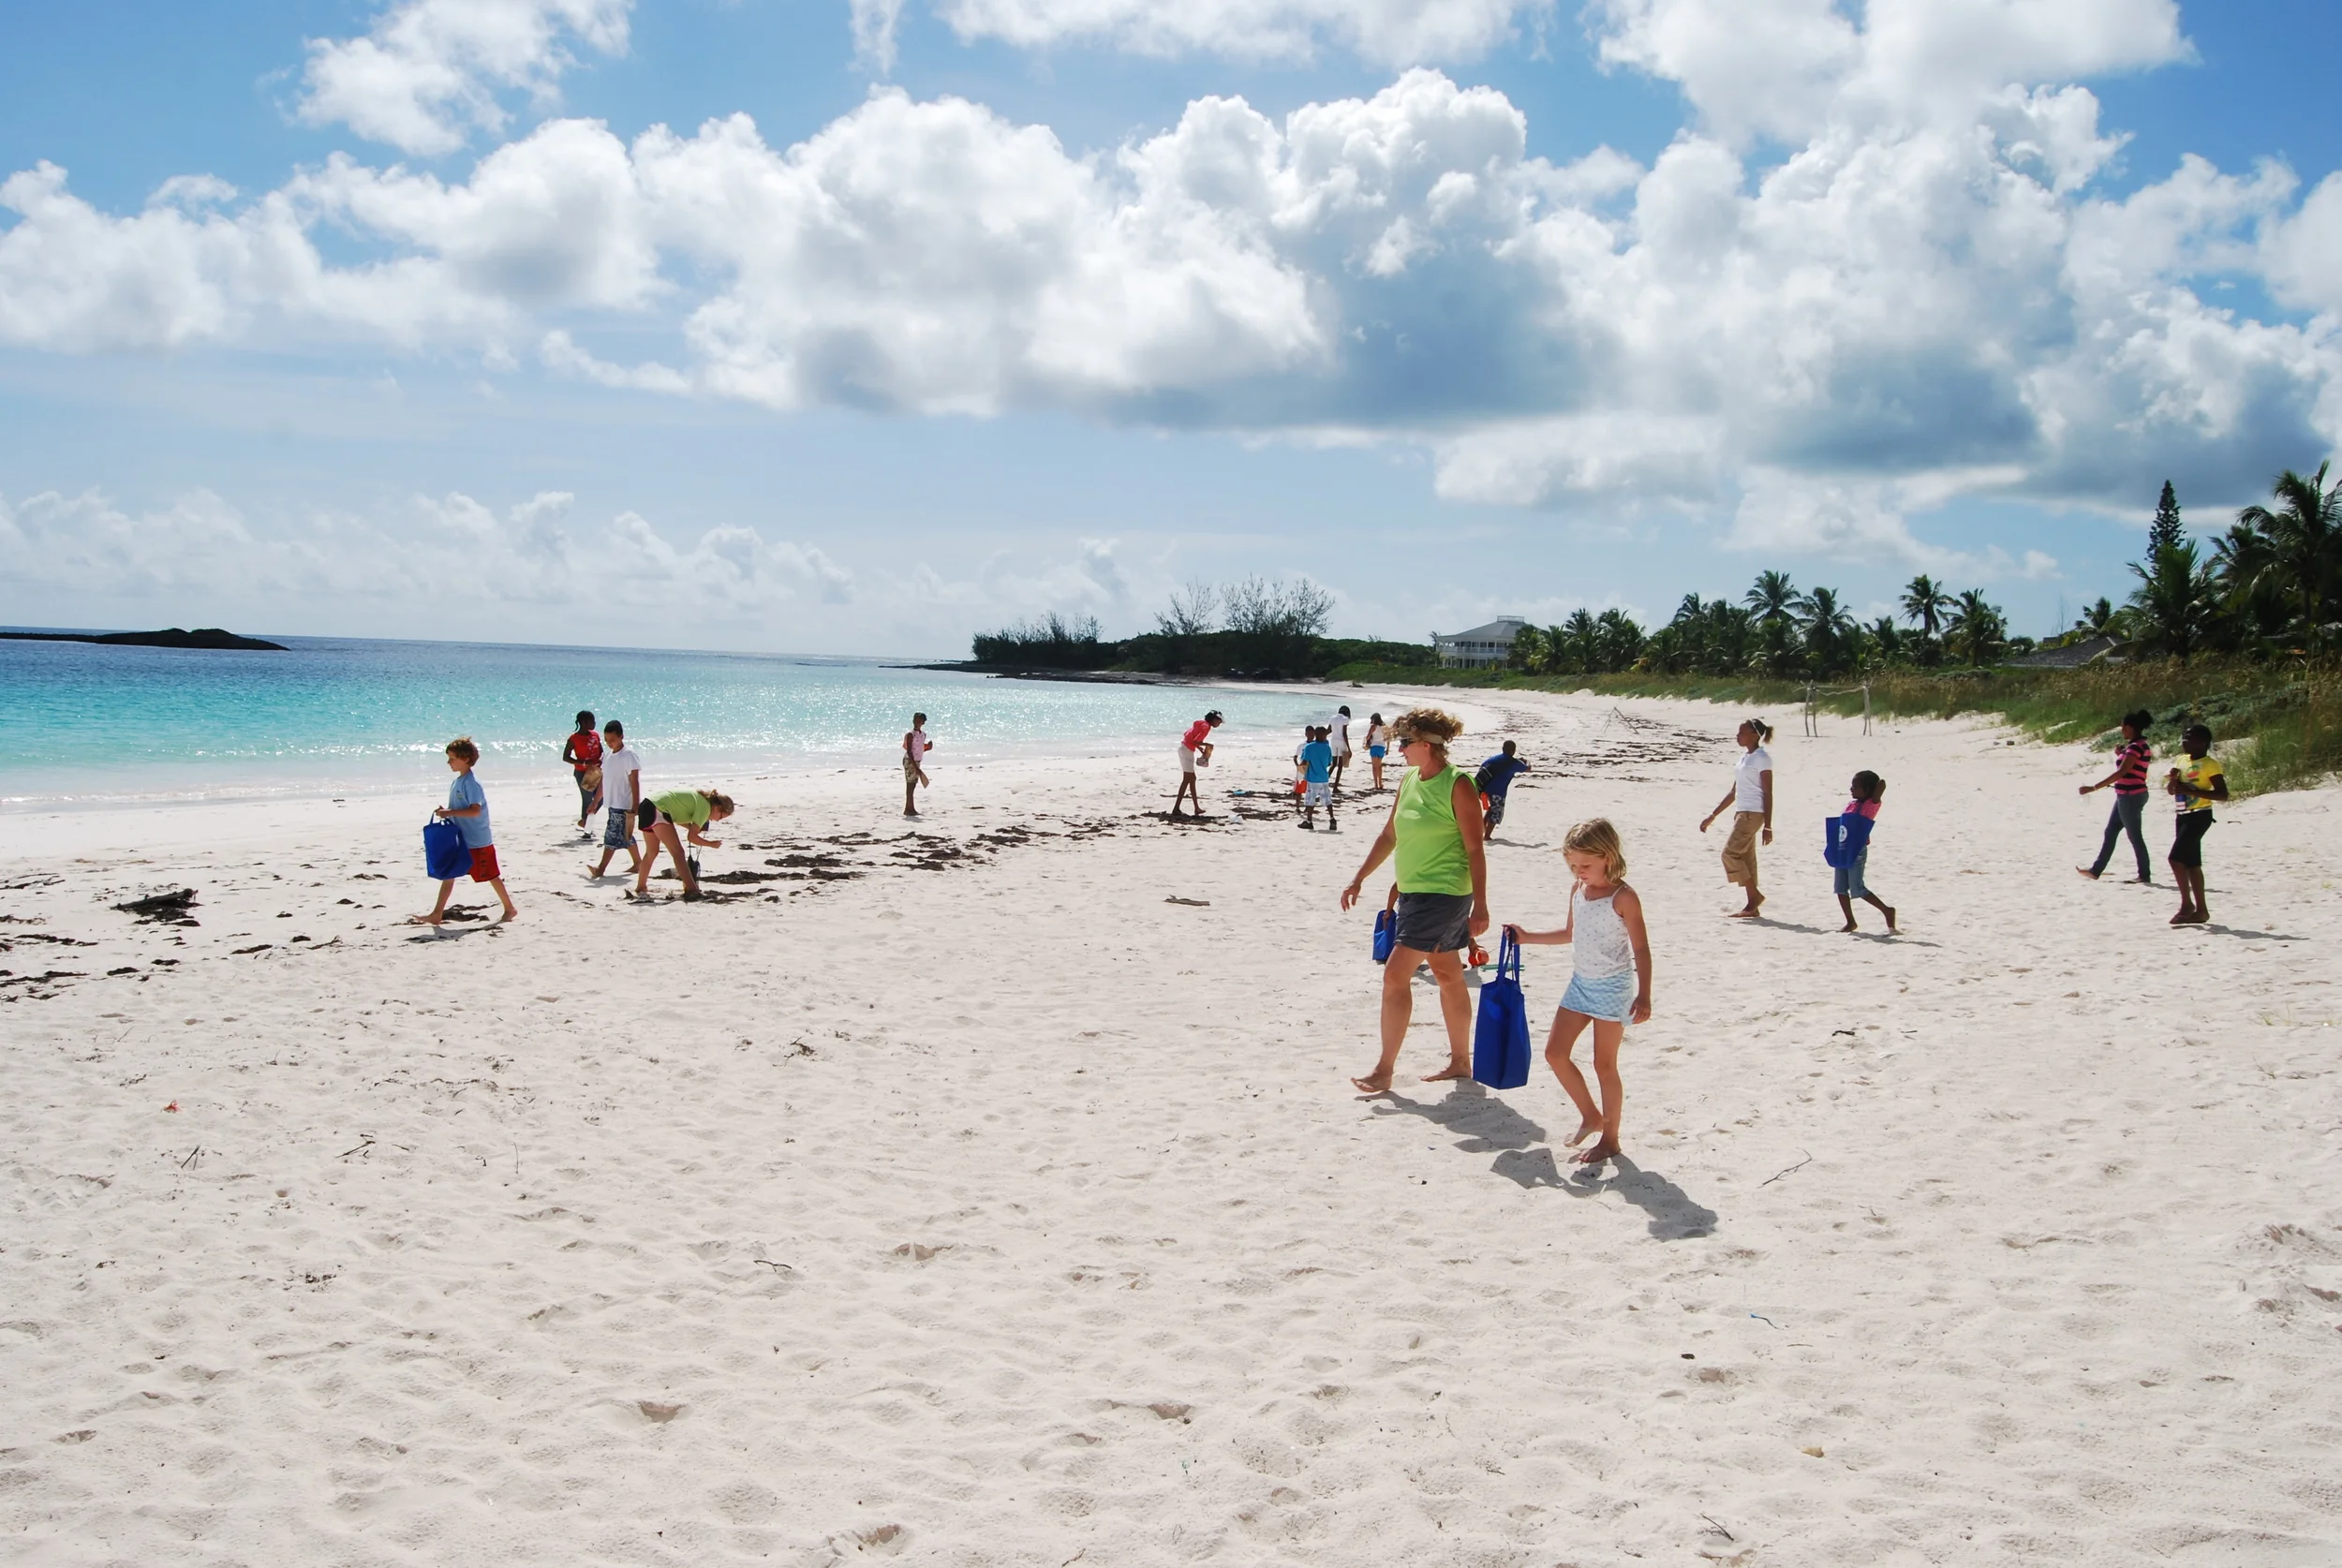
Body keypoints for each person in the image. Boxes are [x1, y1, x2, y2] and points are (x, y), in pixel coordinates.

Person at [1339, 707, 1490, 1092]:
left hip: (1443, 893)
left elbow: (1475, 848)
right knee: (1448, 975)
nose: (1400, 749)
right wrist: (1359, 878)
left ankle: (1384, 1069)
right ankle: (1461, 1062)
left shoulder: (1458, 784)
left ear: (1427, 744)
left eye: (1405, 742)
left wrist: (1481, 905)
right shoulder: (1409, 780)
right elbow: (1390, 835)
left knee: (1395, 974)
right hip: (1413, 893)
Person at [1504, 818, 1651, 1168]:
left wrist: (1644, 994)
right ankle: (1591, 1115)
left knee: (1604, 1064)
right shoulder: (1578, 891)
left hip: (1613, 988)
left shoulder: (1624, 897)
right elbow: (1570, 933)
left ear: (1607, 856)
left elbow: (1641, 948)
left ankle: (1610, 1139)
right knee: (1555, 1053)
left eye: (1585, 865)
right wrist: (1527, 937)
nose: (1578, 872)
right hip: (1581, 984)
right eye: (1572, 865)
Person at [413, 736, 517, 925]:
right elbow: (460, 808)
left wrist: (450, 812)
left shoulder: (471, 783)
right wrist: (447, 811)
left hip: (477, 840)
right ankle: (436, 914)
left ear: (466, 759)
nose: (449, 762)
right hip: (461, 839)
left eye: (452, 758)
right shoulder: (458, 782)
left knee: (490, 875)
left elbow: (475, 811)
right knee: (449, 874)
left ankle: (509, 908)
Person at [1700, 718, 1773, 917]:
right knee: (1747, 858)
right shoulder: (1744, 758)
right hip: (1741, 812)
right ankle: (1752, 907)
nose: (1737, 736)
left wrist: (1768, 826)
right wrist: (1713, 815)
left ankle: (1754, 897)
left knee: (1729, 854)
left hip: (1753, 813)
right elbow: (1734, 791)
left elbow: (1768, 792)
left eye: (1742, 732)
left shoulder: (1762, 759)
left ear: (1754, 735)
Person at [2077, 709, 2156, 884]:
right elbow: (2132, 766)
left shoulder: (2134, 747)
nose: (2122, 731)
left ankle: (2144, 874)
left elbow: (2122, 772)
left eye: (2123, 727)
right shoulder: (2140, 745)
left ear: (2130, 727)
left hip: (2131, 796)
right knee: (2111, 831)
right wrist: (2121, 754)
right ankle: (2096, 870)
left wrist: (2093, 787)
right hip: (2126, 795)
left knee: (2134, 836)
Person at [2165, 723, 2227, 925]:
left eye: (2190, 738)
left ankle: (2186, 905)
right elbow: (2171, 791)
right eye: (2184, 737)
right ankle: (2202, 911)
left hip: (2200, 815)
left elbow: (2222, 794)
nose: (2185, 741)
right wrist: (2173, 780)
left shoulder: (2210, 764)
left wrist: (2192, 792)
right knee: (2192, 864)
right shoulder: (2181, 760)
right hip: (2182, 814)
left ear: (2203, 742)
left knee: (2175, 859)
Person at [634, 789, 735, 901]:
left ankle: (641, 887)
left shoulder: (701, 801)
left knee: (652, 852)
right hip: (658, 809)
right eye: (720, 817)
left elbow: (677, 816)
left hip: (647, 806)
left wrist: (692, 828)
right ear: (717, 808)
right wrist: (710, 844)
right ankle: (692, 889)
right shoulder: (706, 807)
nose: (717, 821)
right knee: (678, 853)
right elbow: (691, 837)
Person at [1834, 770, 1896, 934]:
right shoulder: (1852, 804)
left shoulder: (1870, 806)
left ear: (1868, 790)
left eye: (1856, 786)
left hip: (1857, 850)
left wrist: (1872, 791)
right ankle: (1850, 922)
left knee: (1857, 888)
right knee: (1840, 888)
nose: (1851, 789)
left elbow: (1881, 784)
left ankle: (1887, 910)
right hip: (1843, 847)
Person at [588, 719, 642, 880]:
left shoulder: (629, 755)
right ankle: (638, 863)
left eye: (612, 740)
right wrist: (595, 802)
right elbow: (603, 782)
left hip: (624, 803)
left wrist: (636, 804)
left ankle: (601, 869)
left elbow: (634, 780)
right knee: (625, 835)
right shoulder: (608, 756)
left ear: (621, 736)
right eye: (606, 740)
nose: (610, 743)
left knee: (611, 836)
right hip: (612, 802)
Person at [561, 710, 603, 834]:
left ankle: (585, 822)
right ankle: (587, 830)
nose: (594, 723)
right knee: (587, 799)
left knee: (600, 799)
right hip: (582, 773)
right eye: (592, 721)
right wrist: (583, 763)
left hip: (596, 772)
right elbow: (565, 757)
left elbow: (601, 751)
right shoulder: (574, 739)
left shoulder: (595, 735)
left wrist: (602, 760)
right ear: (584, 722)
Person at [1173, 710, 1222, 819]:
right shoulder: (1206, 727)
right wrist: (1208, 745)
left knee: (1192, 779)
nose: (1219, 724)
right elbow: (1195, 741)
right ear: (1214, 720)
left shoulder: (1201, 723)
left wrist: (1199, 748)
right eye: (1219, 721)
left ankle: (1196, 808)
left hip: (1184, 748)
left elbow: (1188, 735)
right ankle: (1176, 808)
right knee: (1187, 779)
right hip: (1187, 751)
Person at [1474, 740, 1531, 832]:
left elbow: (1483, 766)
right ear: (1513, 751)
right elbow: (1528, 768)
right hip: (1498, 791)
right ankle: (1487, 836)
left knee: (1492, 809)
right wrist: (1526, 761)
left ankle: (1482, 828)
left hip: (1485, 788)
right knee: (1496, 813)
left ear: (1503, 749)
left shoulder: (1494, 758)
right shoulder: (1513, 762)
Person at [1298, 726, 1337, 831]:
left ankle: (1309, 821)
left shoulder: (1309, 747)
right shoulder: (1327, 748)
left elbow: (1304, 762)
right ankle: (1332, 819)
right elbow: (1329, 763)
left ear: (1315, 734)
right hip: (1324, 777)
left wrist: (1300, 773)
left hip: (1313, 778)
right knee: (1327, 799)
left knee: (1311, 800)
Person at [903, 713, 934, 818]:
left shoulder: (923, 735)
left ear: (923, 723)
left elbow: (919, 749)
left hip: (917, 761)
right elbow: (909, 751)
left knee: (913, 785)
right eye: (915, 720)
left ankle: (909, 808)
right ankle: (909, 809)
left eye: (919, 721)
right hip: (909, 761)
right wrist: (915, 767)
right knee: (910, 785)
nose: (916, 722)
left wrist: (928, 748)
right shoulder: (910, 734)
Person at [1328, 704, 1354, 791]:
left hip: (1333, 741)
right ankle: (1335, 787)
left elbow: (1329, 730)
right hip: (1341, 742)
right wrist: (1349, 749)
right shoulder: (1345, 719)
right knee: (1340, 765)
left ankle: (1323, 782)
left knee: (1333, 764)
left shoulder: (1332, 718)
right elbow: (1344, 734)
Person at [1364, 713, 1390, 792]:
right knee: (1379, 766)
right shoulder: (1384, 726)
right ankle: (1380, 784)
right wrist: (1388, 749)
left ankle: (1376, 785)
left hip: (1374, 747)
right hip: (1382, 747)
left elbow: (1368, 736)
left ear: (1374, 719)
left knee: (1374, 767)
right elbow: (1388, 738)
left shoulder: (1373, 726)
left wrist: (1365, 741)